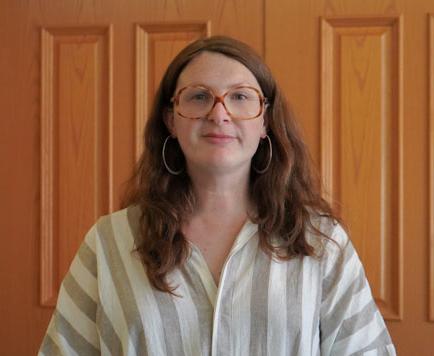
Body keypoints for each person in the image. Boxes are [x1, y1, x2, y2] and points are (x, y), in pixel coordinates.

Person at [39, 36, 396, 356]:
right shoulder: (109, 242)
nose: (219, 113)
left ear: (264, 121)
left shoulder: (321, 242)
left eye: (240, 97)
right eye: (199, 97)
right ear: (170, 119)